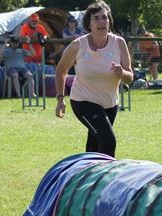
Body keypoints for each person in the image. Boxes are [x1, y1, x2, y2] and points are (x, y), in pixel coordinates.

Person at [54, 1, 133, 158]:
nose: (101, 22)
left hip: (110, 104)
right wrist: (60, 99)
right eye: (96, 18)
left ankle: (86, 177)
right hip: (83, 102)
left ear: (109, 22)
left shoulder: (119, 43)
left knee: (95, 145)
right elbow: (61, 70)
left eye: (105, 18)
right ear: (89, 24)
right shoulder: (78, 45)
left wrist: (122, 72)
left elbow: (130, 78)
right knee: (108, 141)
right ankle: (105, 179)